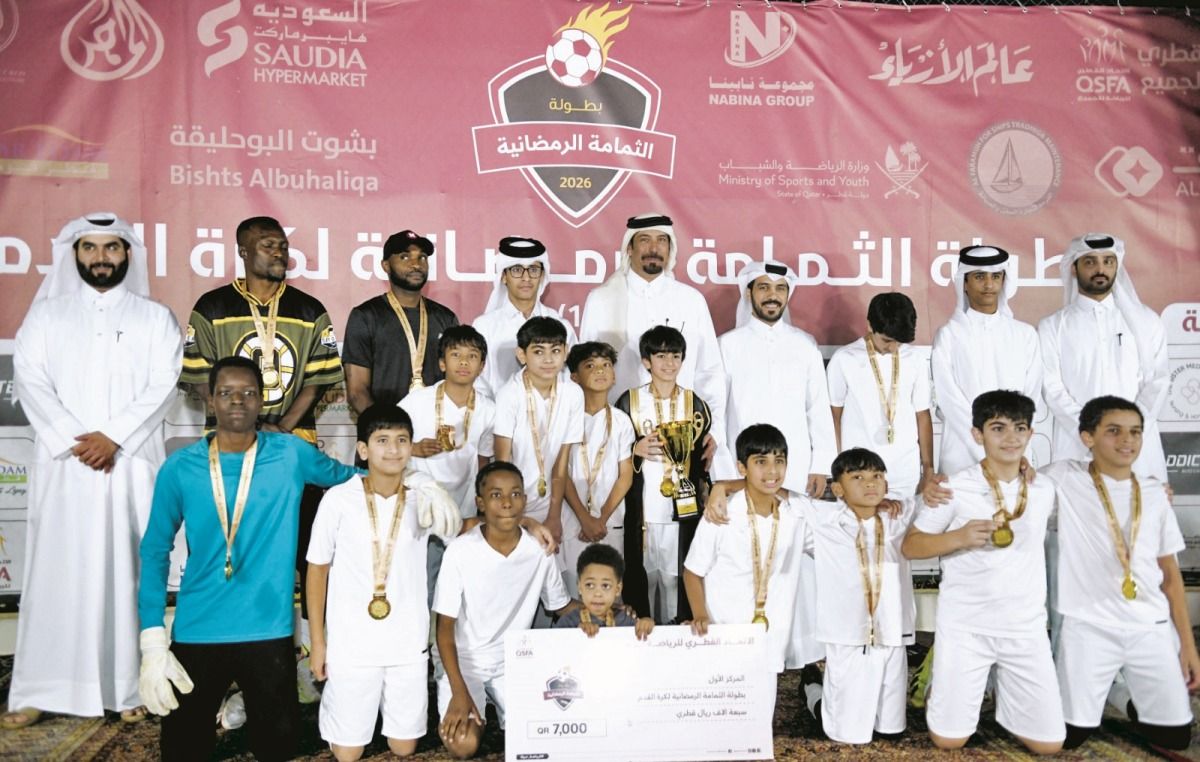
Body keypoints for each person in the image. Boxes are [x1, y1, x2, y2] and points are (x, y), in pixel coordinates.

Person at [136, 357, 366, 761]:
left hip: (267, 631)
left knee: (278, 749)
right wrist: (152, 638)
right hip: (198, 630)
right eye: (226, 393)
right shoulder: (180, 468)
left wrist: (414, 483)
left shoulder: (291, 453)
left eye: (248, 392)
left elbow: (350, 478)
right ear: (211, 400)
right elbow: (154, 551)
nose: (237, 401)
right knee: (182, 752)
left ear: (262, 401)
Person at [7, 212, 182, 727]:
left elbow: (164, 384)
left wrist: (115, 438)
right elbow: (30, 381)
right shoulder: (46, 317)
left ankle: (128, 687)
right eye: (90, 248)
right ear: (74, 254)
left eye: (111, 248)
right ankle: (42, 688)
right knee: (56, 574)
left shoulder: (156, 318)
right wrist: (75, 439)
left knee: (130, 576)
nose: (101, 258)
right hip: (67, 468)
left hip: (129, 467)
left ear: (127, 254)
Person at [177, 215, 344, 697]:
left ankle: (314, 667)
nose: (280, 252)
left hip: (294, 452)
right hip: (230, 453)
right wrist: (244, 426)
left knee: (309, 556)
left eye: (283, 245)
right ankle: (227, 679)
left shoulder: (309, 309)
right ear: (244, 251)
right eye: (269, 245)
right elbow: (198, 379)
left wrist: (281, 428)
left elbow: (318, 379)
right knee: (231, 556)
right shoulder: (212, 307)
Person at [902, 390, 1064, 755]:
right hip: (966, 627)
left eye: (1019, 428)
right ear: (978, 434)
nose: (1010, 438)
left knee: (1049, 745)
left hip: (1025, 627)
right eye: (998, 428)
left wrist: (1154, 493)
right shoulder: (952, 488)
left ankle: (1006, 702)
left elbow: (1094, 488)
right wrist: (957, 538)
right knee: (949, 740)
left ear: (1031, 433)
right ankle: (936, 684)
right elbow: (911, 546)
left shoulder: (1044, 488)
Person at [305, 404, 463, 761]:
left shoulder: (423, 497)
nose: (393, 449)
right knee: (348, 754)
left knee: (404, 748)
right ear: (363, 450)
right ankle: (346, 718)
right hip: (352, 644)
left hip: (406, 641)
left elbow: (463, 531)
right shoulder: (338, 500)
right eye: (382, 440)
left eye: (402, 440)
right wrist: (318, 642)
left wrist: (528, 524)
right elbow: (317, 571)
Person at [1041, 396, 1197, 751]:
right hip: (1089, 627)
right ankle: (1101, 690)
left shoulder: (1154, 493)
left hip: (1149, 627)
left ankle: (1121, 694)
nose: (1127, 440)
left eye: (1135, 432)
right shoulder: (1065, 477)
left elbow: (1170, 575)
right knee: (1067, 738)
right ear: (1088, 437)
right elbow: (1014, 480)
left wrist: (1188, 647)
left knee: (1175, 739)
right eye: (1114, 431)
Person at [433, 461, 577, 759]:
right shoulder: (460, 550)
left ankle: (499, 708)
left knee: (544, 736)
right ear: (480, 503)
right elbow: (444, 630)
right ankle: (471, 706)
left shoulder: (539, 549)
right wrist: (459, 692)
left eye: (515, 493)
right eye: (496, 495)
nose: (507, 502)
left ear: (525, 499)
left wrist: (614, 610)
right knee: (463, 745)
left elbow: (562, 607)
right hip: (465, 661)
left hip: (514, 661)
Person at [579, 213, 727, 468]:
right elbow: (586, 373)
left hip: (684, 434)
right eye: (645, 240)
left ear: (670, 248)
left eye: (661, 240)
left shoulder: (691, 300)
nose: (654, 248)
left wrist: (714, 429)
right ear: (629, 247)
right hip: (619, 436)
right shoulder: (601, 299)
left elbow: (709, 371)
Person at [803, 448, 915, 745]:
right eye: (857, 477)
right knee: (845, 734)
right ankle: (812, 690)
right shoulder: (825, 521)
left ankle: (874, 714)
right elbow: (776, 495)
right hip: (848, 635)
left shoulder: (899, 515)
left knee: (891, 730)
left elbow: (938, 497)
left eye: (876, 476)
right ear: (838, 489)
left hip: (892, 632)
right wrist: (722, 488)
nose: (869, 483)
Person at [1038, 234, 1169, 480]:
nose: (1100, 269)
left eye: (1108, 262)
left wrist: (1129, 429)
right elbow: (1051, 387)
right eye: (1090, 262)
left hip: (1137, 446)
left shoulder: (1146, 321)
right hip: (1078, 444)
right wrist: (1090, 431)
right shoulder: (1053, 326)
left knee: (1140, 503)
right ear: (1074, 268)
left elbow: (1158, 380)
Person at [684, 424, 804, 677]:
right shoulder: (720, 514)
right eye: (761, 462)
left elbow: (832, 516)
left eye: (779, 461)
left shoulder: (795, 516)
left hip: (771, 639)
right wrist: (700, 614)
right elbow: (693, 571)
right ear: (741, 467)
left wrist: (724, 484)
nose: (772, 471)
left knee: (764, 699)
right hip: (723, 634)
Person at [615, 325, 713, 623]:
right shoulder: (629, 402)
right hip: (643, 508)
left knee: (673, 578)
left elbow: (702, 457)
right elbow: (614, 451)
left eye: (675, 356)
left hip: (680, 508)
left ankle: (675, 638)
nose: (669, 363)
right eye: (661, 356)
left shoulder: (695, 404)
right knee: (644, 576)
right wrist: (635, 449)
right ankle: (643, 635)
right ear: (646, 361)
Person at [718, 261, 835, 496]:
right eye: (764, 288)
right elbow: (717, 412)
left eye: (780, 288)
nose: (773, 296)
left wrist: (821, 466)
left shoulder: (805, 344)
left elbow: (818, 407)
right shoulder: (727, 345)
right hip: (742, 466)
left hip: (797, 467)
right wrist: (723, 471)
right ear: (748, 293)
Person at [931, 245, 1042, 476]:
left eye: (996, 276)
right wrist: (985, 447)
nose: (989, 284)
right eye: (980, 277)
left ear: (1004, 281)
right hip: (961, 453)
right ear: (964, 282)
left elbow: (1030, 397)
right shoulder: (949, 334)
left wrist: (1007, 444)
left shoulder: (1025, 334)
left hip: (1013, 452)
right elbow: (948, 398)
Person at [827, 292, 933, 498]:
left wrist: (928, 468)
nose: (893, 347)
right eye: (887, 340)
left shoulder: (915, 359)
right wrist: (837, 468)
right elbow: (834, 416)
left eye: (898, 342)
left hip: (906, 472)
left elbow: (922, 414)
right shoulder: (844, 359)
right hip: (858, 472)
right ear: (869, 325)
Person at [342, 229, 460, 413]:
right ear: (386, 266)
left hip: (437, 427)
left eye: (422, 257)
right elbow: (357, 392)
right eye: (405, 257)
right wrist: (387, 427)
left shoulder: (446, 318)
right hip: (386, 427)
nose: (416, 265)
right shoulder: (365, 316)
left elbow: (458, 383)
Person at [492, 316, 584, 544]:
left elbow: (562, 462)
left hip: (552, 501)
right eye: (538, 351)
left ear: (566, 352)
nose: (548, 359)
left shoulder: (573, 394)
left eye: (556, 351)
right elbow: (502, 465)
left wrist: (554, 516)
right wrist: (518, 517)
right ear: (521, 355)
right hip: (512, 503)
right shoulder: (509, 395)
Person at [561, 342, 635, 592]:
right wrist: (585, 519)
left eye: (606, 365)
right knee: (575, 591)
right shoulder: (564, 418)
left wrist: (601, 518)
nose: (600, 371)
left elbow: (625, 476)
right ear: (574, 376)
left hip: (609, 523)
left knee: (608, 593)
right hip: (572, 522)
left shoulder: (622, 421)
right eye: (590, 366)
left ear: (614, 376)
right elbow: (560, 473)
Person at [401, 326, 496, 519]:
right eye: (455, 354)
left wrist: (483, 503)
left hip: (463, 506)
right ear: (442, 363)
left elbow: (483, 459)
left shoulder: (489, 410)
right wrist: (414, 448)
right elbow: (383, 438)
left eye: (472, 356)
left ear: (481, 367)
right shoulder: (415, 401)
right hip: (417, 502)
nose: (464, 362)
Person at [471, 236, 576, 399]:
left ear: (542, 276)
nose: (526, 278)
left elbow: (572, 378)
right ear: (503, 276)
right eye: (517, 270)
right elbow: (477, 383)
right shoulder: (484, 326)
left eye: (533, 270)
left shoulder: (562, 326)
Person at [553, 544, 654, 638]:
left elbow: (640, 639)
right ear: (579, 587)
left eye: (605, 586)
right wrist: (576, 634)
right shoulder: (568, 622)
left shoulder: (625, 620)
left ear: (618, 589)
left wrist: (646, 624)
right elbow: (556, 645)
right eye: (590, 585)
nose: (597, 594)